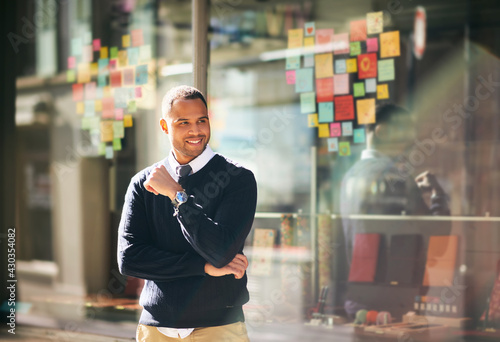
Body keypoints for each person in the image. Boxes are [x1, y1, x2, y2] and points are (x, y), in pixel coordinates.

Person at [117, 85, 257, 341]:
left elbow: (222, 251)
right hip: (155, 329)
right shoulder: (142, 183)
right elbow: (130, 259)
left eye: (201, 120)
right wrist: (203, 266)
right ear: (164, 126)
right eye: (183, 123)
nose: (195, 131)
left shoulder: (238, 179)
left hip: (218, 328)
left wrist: (177, 195)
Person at [340, 104, 450, 317]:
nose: (409, 142)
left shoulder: (350, 177)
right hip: (391, 303)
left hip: (359, 298)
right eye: (404, 133)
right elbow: (438, 237)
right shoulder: (395, 177)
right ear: (382, 131)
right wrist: (437, 194)